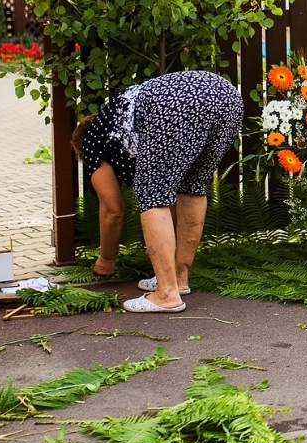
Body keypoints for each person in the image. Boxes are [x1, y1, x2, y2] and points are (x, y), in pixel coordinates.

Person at [73, 70, 243, 313]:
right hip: (228, 97)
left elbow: (113, 210)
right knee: (192, 186)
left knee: (151, 193)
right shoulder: (118, 121)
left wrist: (106, 260)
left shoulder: (92, 140)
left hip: (176, 103)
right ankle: (178, 278)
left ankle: (166, 294)